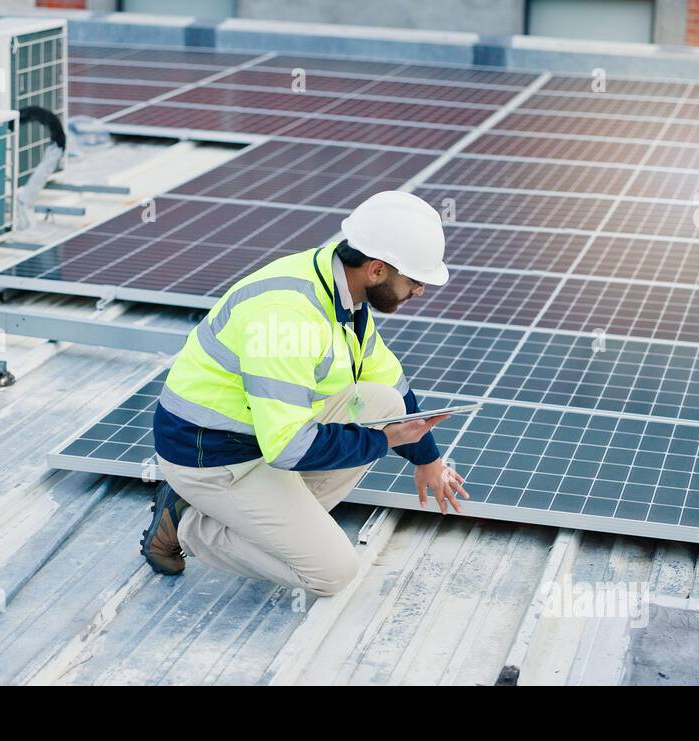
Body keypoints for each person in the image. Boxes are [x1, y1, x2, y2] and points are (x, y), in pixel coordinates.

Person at [140, 190, 468, 596]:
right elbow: (290, 449)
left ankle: (275, 519)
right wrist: (382, 442)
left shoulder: (341, 290)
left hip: (259, 436)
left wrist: (429, 461)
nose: (419, 291)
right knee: (332, 574)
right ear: (378, 269)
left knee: (385, 403)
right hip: (212, 456)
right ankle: (188, 524)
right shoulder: (287, 317)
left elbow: (393, 386)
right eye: (415, 281)